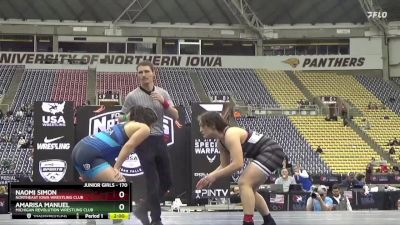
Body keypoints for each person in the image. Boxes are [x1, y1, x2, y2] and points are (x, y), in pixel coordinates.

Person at [119, 60, 182, 225]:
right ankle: (156, 220)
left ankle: (142, 208)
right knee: (152, 181)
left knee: (167, 181)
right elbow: (120, 117)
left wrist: (164, 102)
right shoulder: (132, 96)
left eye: (146, 71)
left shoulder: (163, 93)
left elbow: (175, 116)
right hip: (142, 140)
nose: (143, 75)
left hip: (159, 139)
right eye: (140, 72)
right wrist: (131, 115)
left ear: (154, 73)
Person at [196, 111, 286, 225]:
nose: (200, 130)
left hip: (271, 151)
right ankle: (269, 221)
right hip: (264, 153)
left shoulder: (230, 134)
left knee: (244, 183)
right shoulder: (221, 143)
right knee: (250, 189)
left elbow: (238, 164)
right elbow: (224, 166)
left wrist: (214, 176)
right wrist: (208, 177)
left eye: (202, 126)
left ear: (212, 125)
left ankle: (248, 221)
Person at [72, 106, 157, 182]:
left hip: (79, 149)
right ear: (149, 122)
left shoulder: (127, 123)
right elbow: (129, 146)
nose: (152, 129)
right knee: (121, 186)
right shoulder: (145, 128)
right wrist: (117, 167)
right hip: (90, 153)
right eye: (153, 125)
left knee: (98, 194)